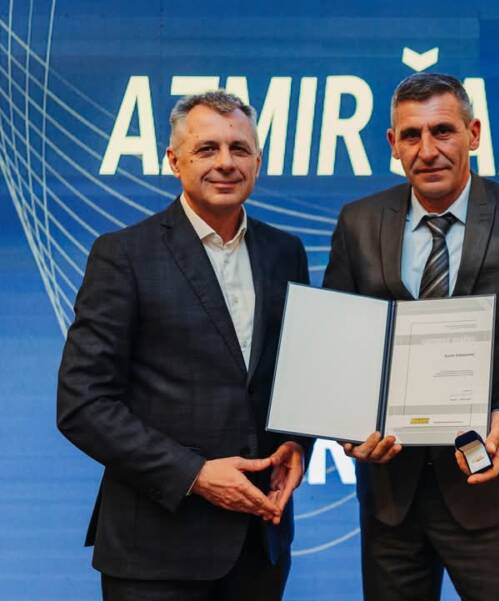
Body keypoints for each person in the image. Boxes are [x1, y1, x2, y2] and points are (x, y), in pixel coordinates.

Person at [323, 73, 499, 601]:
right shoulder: (358, 222)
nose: (428, 150)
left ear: (474, 134)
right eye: (412, 135)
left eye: (442, 131)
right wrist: (348, 426)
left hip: (490, 493)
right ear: (393, 144)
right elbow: (336, 348)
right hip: (390, 502)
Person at [57, 90, 313, 601]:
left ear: (258, 162)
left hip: (258, 547)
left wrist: (297, 444)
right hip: (155, 551)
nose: (226, 163)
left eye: (239, 149)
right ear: (174, 161)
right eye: (207, 149)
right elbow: (83, 404)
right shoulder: (123, 255)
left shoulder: (285, 252)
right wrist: (194, 474)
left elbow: (295, 373)